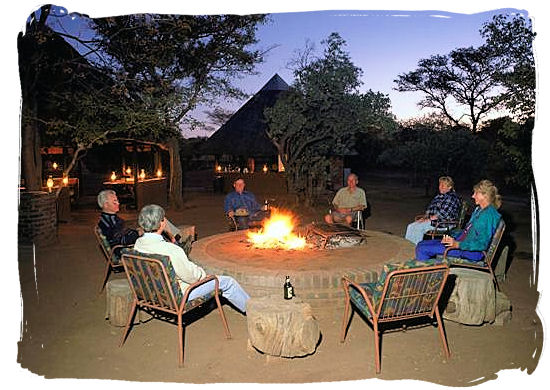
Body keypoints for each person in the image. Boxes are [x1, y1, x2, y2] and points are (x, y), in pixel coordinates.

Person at [134, 204, 250, 313]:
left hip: (150, 292)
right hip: (179, 295)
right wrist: (203, 275)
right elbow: (192, 277)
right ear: (161, 223)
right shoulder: (171, 250)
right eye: (163, 219)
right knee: (228, 282)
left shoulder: (138, 244)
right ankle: (251, 310)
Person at [415, 179, 502, 262]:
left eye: (476, 193)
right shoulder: (479, 210)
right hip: (463, 244)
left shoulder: (488, 216)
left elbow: (482, 244)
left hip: (471, 252)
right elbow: (467, 231)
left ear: (484, 195)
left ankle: (431, 275)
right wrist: (452, 237)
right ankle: (431, 271)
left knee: (422, 249)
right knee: (421, 244)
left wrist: (457, 244)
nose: (473, 196)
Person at [97, 189, 189, 252]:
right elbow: (122, 240)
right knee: (158, 222)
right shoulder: (109, 222)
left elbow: (122, 233)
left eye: (117, 200)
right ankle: (177, 244)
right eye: (114, 202)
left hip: (131, 241)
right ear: (105, 205)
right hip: (126, 249)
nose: (118, 203)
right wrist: (139, 233)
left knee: (157, 220)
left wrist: (137, 230)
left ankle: (177, 241)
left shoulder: (107, 218)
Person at [404, 176, 462, 245]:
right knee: (411, 226)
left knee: (418, 228)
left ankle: (415, 248)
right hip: (434, 221)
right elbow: (430, 209)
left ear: (449, 187)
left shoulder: (452, 198)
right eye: (440, 184)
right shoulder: (439, 196)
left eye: (443, 185)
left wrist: (428, 219)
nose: (441, 187)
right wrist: (424, 218)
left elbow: (442, 214)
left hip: (444, 223)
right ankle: (407, 247)